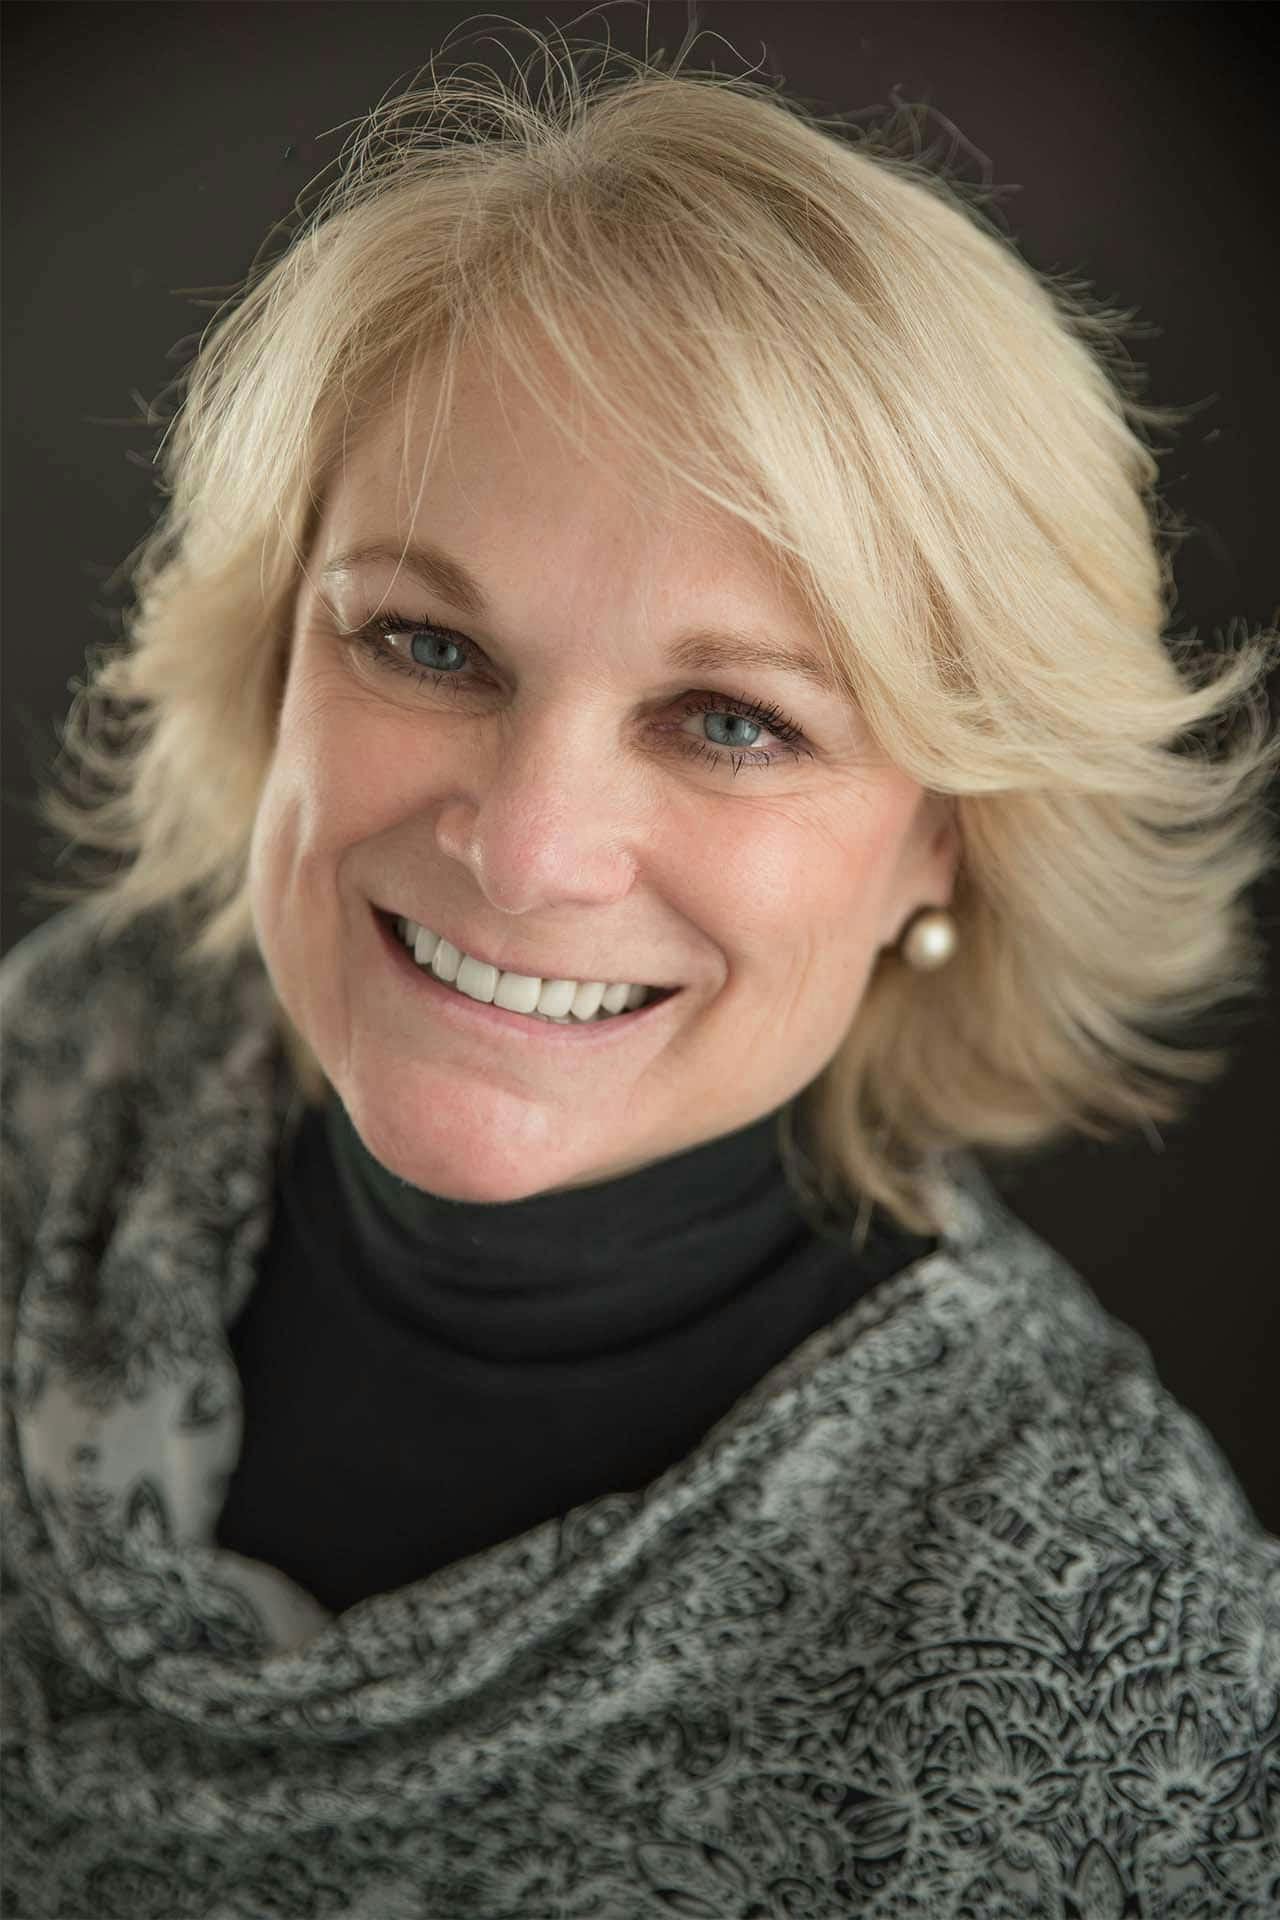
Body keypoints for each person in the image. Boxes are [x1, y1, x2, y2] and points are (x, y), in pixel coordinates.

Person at [3, 21, 1278, 1920]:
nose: (525, 849)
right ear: (273, 654)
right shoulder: (70, 1069)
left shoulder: (1100, 1623)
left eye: (730, 721)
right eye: (427, 646)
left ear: (947, 836)